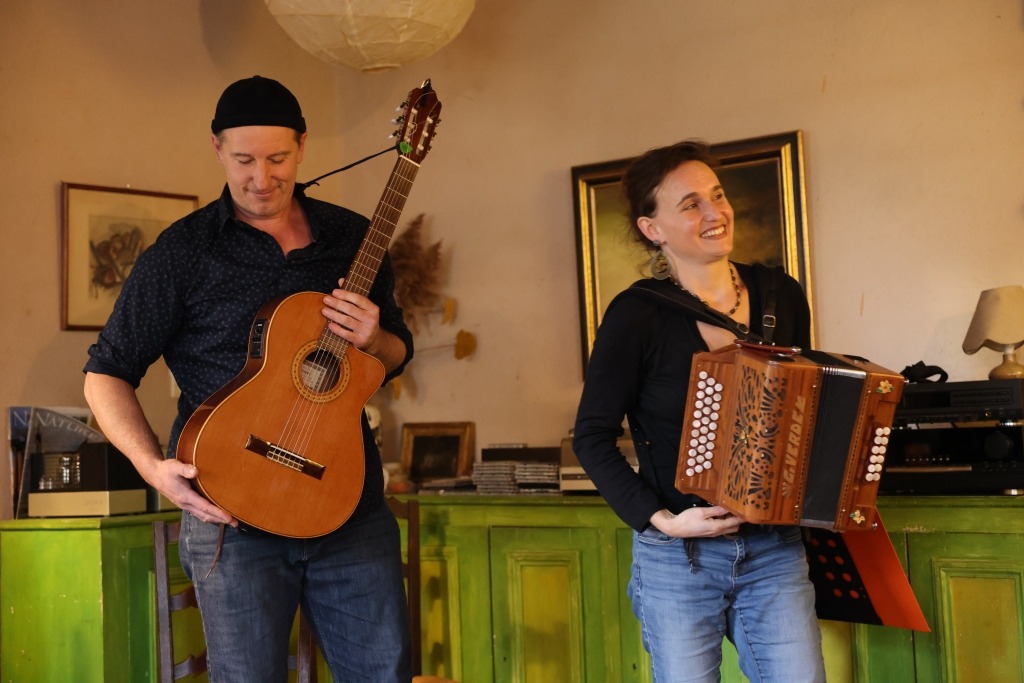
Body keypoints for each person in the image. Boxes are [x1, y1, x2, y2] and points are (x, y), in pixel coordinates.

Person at [83, 76, 415, 682]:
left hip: (348, 507)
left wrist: (374, 338)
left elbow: (394, 354)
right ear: (217, 149)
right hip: (232, 516)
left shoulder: (353, 238)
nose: (262, 177)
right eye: (244, 160)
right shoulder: (182, 253)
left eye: (278, 158)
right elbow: (106, 372)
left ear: (303, 146)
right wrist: (152, 467)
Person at [572, 140, 826, 682]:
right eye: (691, 205)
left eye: (718, 195)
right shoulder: (635, 315)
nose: (715, 213)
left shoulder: (781, 296)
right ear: (653, 229)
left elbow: (802, 414)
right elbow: (592, 436)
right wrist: (662, 520)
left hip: (774, 549)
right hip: (678, 557)